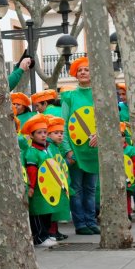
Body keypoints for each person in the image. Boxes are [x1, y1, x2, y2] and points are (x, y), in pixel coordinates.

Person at [60, 56, 100, 236]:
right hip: (75, 152)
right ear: (76, 74)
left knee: (91, 189)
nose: (83, 72)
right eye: (80, 70)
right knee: (76, 188)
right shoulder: (69, 96)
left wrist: (100, 135)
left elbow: (107, 121)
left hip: (93, 152)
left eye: (87, 69)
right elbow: (64, 124)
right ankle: (80, 223)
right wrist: (67, 150)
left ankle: (91, 221)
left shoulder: (100, 95)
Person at [22, 114, 67, 248]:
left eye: (45, 132)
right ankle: (39, 237)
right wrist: (31, 186)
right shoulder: (32, 152)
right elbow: (31, 171)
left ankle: (46, 234)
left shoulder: (49, 149)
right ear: (31, 136)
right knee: (38, 213)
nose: (43, 135)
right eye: (39, 133)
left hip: (49, 187)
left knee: (47, 212)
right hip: (37, 189)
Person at [46, 116, 70, 241]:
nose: (60, 136)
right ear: (48, 134)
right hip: (52, 182)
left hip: (59, 181)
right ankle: (51, 231)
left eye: (61, 133)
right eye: (56, 133)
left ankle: (55, 230)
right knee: (53, 208)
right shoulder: (49, 147)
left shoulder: (55, 147)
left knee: (58, 208)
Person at [121, 122, 135, 220]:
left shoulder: (130, 150)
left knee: (127, 195)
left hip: (128, 178)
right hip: (116, 179)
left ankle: (128, 213)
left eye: (122, 136)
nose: (120, 138)